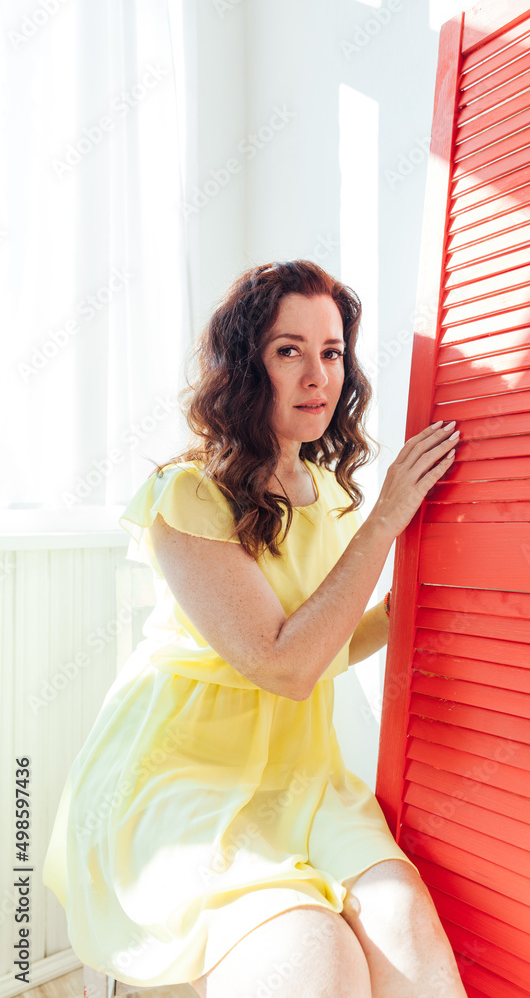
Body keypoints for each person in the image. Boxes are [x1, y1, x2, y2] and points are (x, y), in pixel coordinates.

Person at [42, 260, 465, 998]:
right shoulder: (189, 493)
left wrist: (404, 614)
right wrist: (388, 518)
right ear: (245, 366)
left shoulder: (328, 491)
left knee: (411, 937)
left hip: (301, 775)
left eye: (331, 352)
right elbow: (282, 664)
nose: (317, 376)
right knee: (314, 951)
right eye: (288, 350)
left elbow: (322, 637)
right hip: (185, 774)